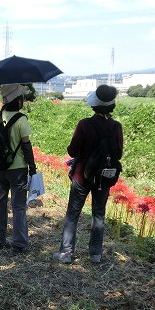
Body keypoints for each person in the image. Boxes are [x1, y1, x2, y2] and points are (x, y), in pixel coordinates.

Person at [52, 84, 123, 264]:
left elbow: (72, 151)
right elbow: (119, 154)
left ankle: (66, 253)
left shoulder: (84, 124)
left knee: (73, 213)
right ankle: (95, 254)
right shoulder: (116, 127)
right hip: (104, 178)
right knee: (98, 214)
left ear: (94, 105)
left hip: (82, 176)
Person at [0, 84, 37, 254]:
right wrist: (32, 169)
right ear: (17, 99)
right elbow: (26, 146)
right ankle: (19, 244)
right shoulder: (21, 119)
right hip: (17, 169)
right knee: (18, 207)